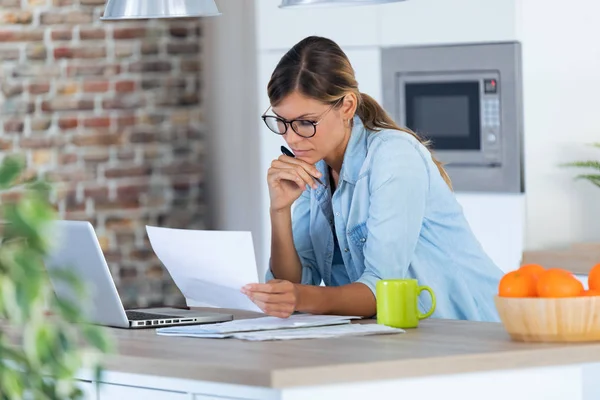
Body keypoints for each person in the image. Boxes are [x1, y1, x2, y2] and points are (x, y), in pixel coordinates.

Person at [241, 36, 504, 322]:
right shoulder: (312, 165)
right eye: (282, 122)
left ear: (347, 106)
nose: (291, 138)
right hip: (402, 337)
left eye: (306, 122)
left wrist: (300, 297)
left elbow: (381, 288)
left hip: (471, 330)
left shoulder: (393, 156)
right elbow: (296, 280)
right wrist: (279, 210)